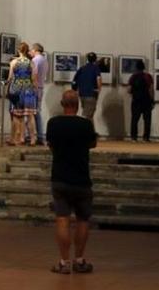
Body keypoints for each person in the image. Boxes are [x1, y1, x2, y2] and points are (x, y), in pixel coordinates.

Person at [46, 90, 98, 274]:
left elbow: (50, 144)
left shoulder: (54, 123)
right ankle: (80, 259)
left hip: (60, 177)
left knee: (62, 219)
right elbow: (93, 144)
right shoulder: (85, 124)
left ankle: (63, 261)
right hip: (82, 178)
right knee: (83, 220)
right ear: (78, 105)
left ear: (62, 104)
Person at [7, 42, 38, 146]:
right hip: (28, 90)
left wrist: (7, 87)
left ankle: (18, 138)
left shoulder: (14, 62)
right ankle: (33, 138)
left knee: (16, 115)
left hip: (16, 90)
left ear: (18, 50)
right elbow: (34, 78)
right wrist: (35, 89)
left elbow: (10, 77)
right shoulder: (31, 63)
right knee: (30, 115)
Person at [72, 52, 102, 125]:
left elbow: (74, 81)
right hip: (91, 94)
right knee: (87, 116)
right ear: (95, 59)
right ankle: (83, 132)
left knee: (89, 114)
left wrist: (75, 90)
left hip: (82, 94)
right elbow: (98, 79)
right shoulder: (96, 68)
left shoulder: (82, 68)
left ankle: (91, 132)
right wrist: (98, 90)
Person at [127, 60, 154, 142]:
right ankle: (146, 138)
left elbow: (129, 90)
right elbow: (151, 90)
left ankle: (133, 137)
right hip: (146, 100)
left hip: (136, 100)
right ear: (144, 67)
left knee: (134, 119)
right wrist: (152, 100)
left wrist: (133, 94)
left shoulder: (133, 77)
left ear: (136, 67)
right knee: (147, 120)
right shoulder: (148, 76)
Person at [30, 43, 48, 145]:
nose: (31, 52)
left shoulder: (36, 60)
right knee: (36, 112)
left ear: (35, 50)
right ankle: (40, 136)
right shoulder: (45, 60)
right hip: (41, 87)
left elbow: (34, 74)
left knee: (32, 113)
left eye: (32, 50)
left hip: (35, 88)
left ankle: (37, 136)